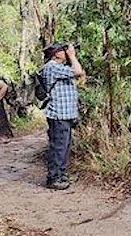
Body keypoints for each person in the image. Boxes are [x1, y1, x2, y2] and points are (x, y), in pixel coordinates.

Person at [40, 41, 85, 190]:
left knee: (64, 147)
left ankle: (61, 174)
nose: (66, 52)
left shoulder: (61, 68)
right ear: (57, 53)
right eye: (63, 50)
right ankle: (54, 178)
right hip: (58, 114)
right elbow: (78, 71)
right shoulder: (52, 67)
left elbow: (80, 73)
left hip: (65, 115)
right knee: (58, 147)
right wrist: (72, 56)